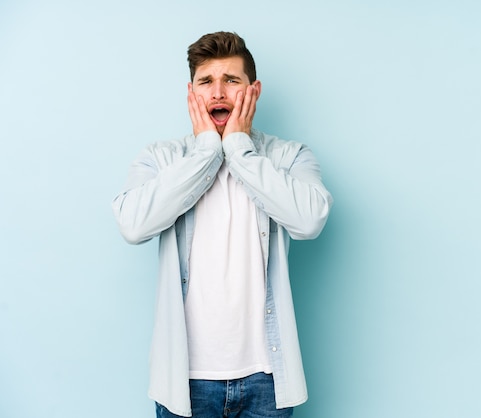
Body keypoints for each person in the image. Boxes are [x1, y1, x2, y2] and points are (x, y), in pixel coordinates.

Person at [112, 31, 332, 418]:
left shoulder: (289, 157)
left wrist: (238, 149)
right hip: (185, 380)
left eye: (232, 81)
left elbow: (309, 220)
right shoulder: (161, 159)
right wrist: (206, 152)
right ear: (191, 93)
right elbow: (132, 225)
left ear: (254, 90)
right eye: (206, 82)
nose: (218, 93)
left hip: (267, 379)